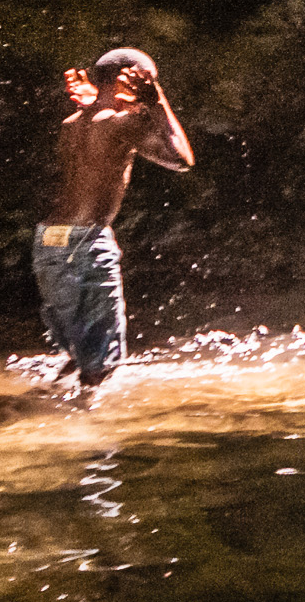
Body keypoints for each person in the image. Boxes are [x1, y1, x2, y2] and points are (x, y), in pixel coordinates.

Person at [35, 47, 192, 389]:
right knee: (101, 362)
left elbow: (99, 129)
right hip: (86, 242)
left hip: (48, 241)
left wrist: (102, 101)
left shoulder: (71, 124)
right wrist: (158, 102)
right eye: (147, 82)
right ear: (130, 82)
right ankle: (94, 433)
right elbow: (181, 158)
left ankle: (50, 404)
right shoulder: (121, 125)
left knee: (78, 348)